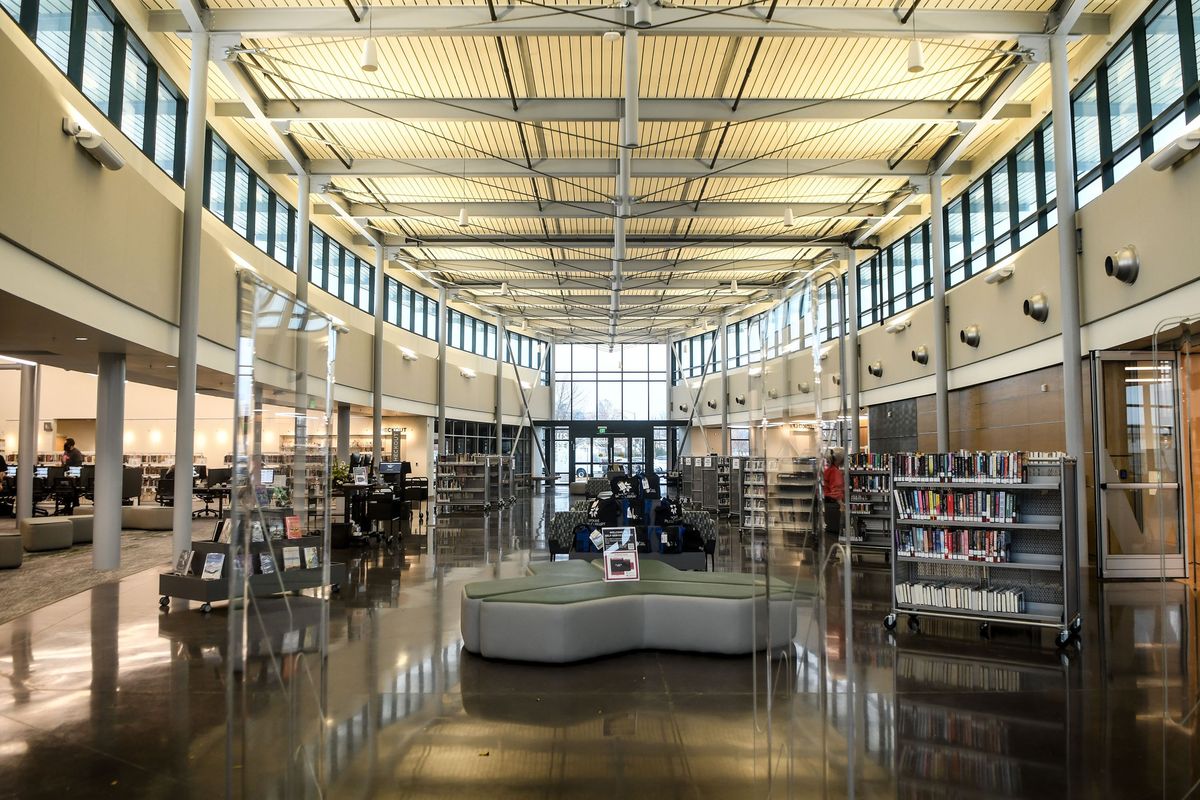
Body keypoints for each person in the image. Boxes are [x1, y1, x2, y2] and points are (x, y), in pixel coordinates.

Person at [822, 450, 845, 538]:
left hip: (826, 504)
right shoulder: (835, 472)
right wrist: (841, 504)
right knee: (833, 533)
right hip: (832, 505)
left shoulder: (829, 470)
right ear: (840, 460)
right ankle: (832, 551)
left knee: (828, 532)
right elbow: (835, 491)